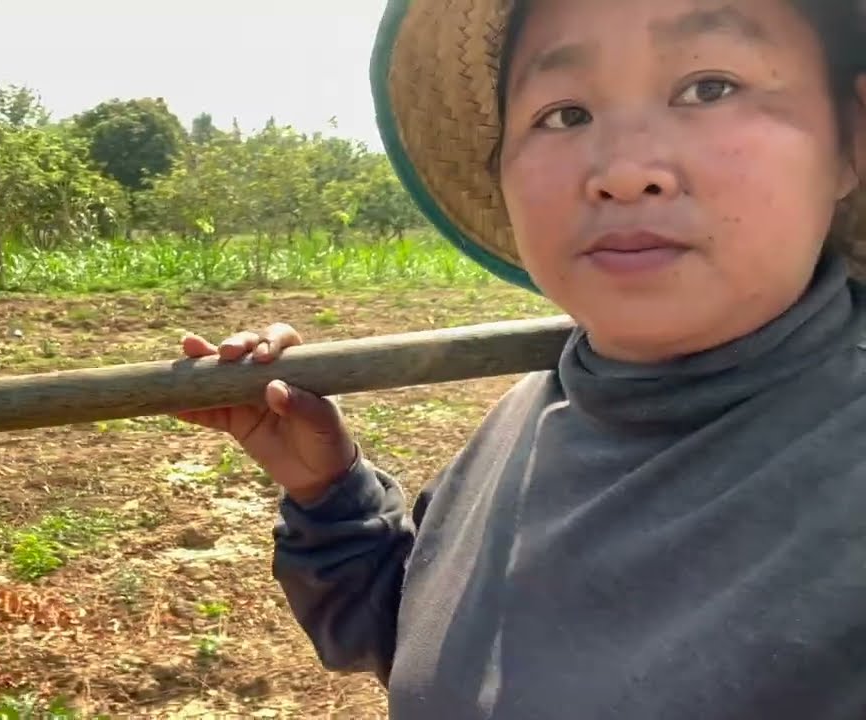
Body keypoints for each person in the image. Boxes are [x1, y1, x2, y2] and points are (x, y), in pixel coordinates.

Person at [176, 0, 866, 717]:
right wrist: (328, 491)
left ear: (852, 137)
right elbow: (441, 654)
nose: (624, 172)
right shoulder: (536, 407)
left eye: (709, 88)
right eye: (565, 114)